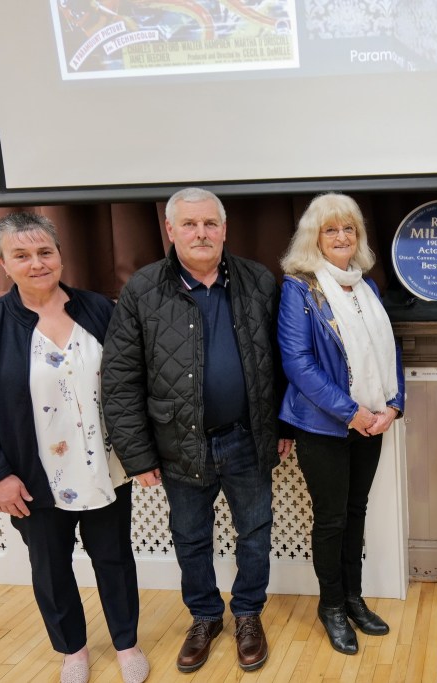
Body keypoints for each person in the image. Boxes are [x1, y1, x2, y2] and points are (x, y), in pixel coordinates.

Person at [0, 213, 149, 683]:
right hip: (30, 477)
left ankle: (127, 643)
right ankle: (72, 651)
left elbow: (132, 384)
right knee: (51, 567)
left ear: (59, 255)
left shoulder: (99, 308)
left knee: (115, 559)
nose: (36, 263)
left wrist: (142, 454)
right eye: (22, 255)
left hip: (106, 469)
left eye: (45, 252)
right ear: (2, 262)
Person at [102, 187, 292, 673]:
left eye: (210, 223)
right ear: (170, 230)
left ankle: (248, 613)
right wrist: (138, 455)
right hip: (178, 444)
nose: (201, 233)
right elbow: (120, 380)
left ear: (225, 229)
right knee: (190, 536)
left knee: (254, 531)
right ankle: (205, 616)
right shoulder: (143, 291)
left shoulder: (258, 281)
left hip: (247, 437)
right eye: (189, 224)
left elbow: (281, 360)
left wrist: (282, 425)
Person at [277, 192, 405, 655]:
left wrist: (394, 405)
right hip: (323, 426)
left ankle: (353, 598)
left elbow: (389, 350)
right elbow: (298, 363)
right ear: (315, 237)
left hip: (373, 423)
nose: (341, 236)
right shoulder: (299, 287)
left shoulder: (366, 286)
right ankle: (330, 606)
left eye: (349, 228)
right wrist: (353, 413)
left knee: (356, 513)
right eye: (331, 229)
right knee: (331, 521)